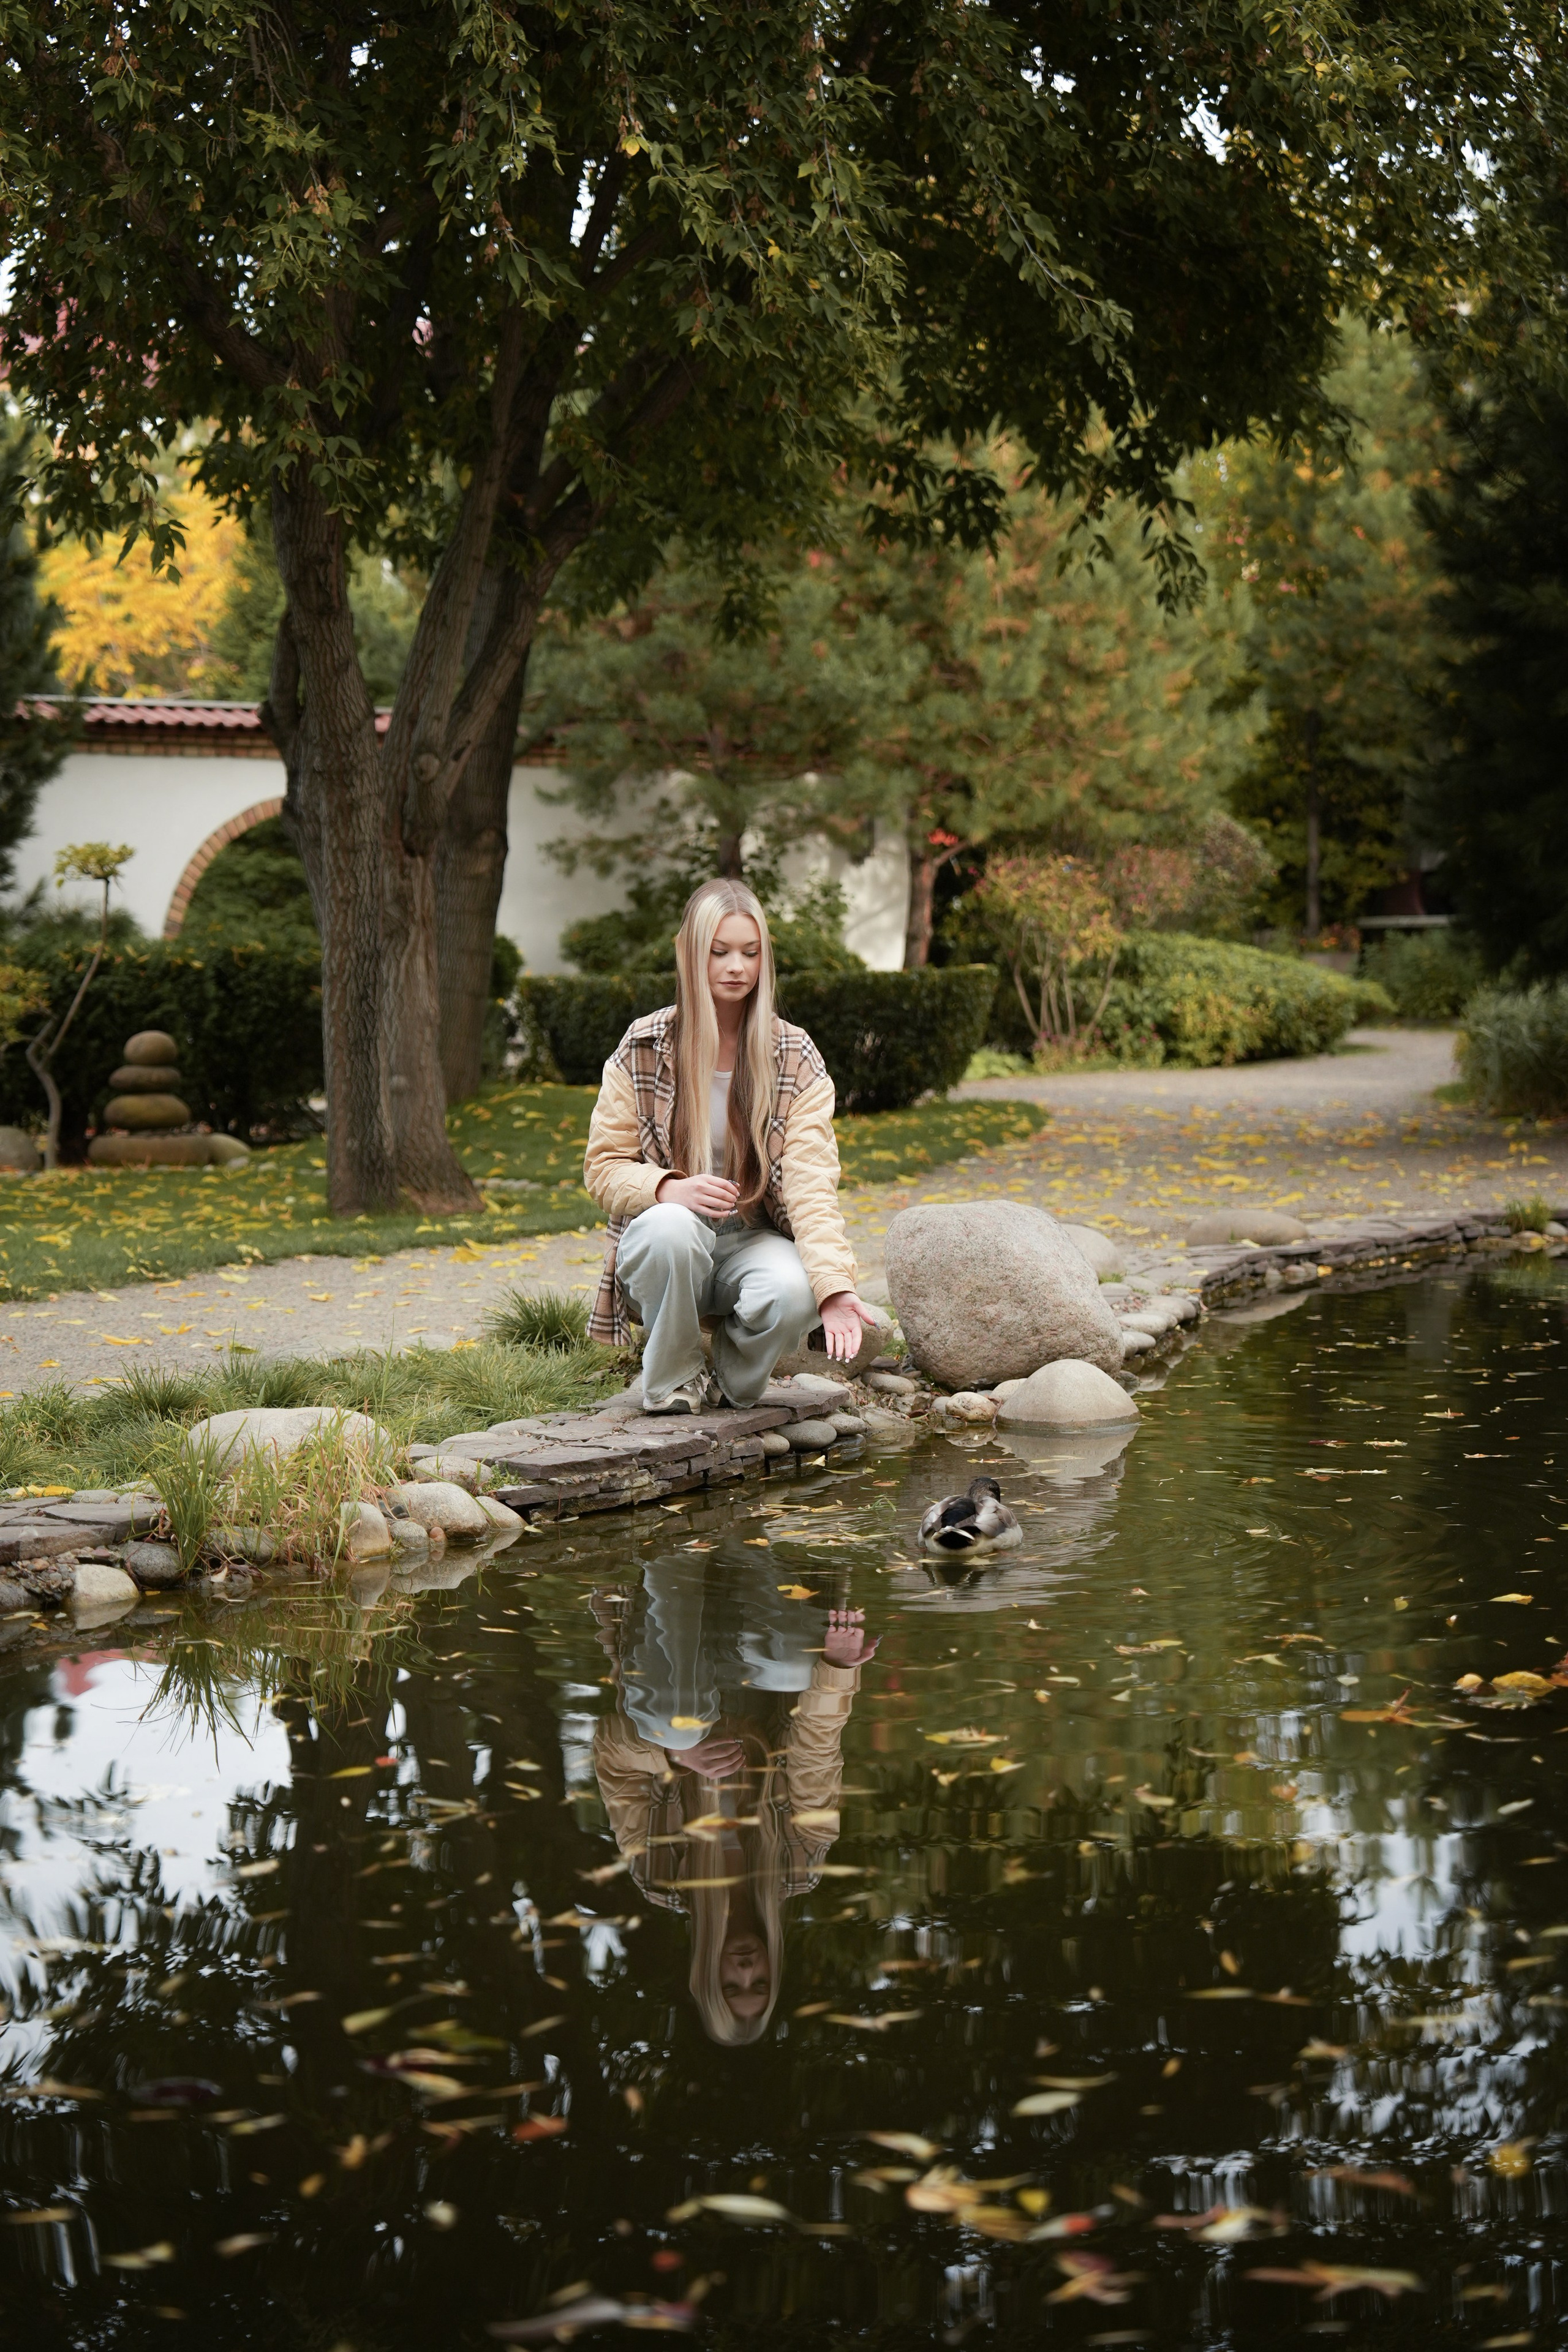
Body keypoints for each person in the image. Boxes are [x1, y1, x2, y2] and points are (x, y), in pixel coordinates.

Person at [584, 877, 878, 1413]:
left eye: (750, 952)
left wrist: (834, 1288)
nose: (736, 967)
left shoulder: (794, 1054)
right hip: (668, 1243)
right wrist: (669, 1188)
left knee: (796, 1289)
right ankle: (673, 1380)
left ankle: (729, 1380)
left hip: (752, 1239)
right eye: (719, 952)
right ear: (691, 953)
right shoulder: (645, 1044)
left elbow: (812, 1185)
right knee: (670, 1229)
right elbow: (603, 1169)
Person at [589, 1544, 880, 2045]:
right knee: (796, 1668)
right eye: (760, 1982)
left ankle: (673, 1562)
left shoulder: (659, 1876)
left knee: (678, 1729)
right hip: (756, 1668)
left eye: (732, 1985)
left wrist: (677, 1758)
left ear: (707, 1976)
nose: (746, 1970)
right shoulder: (801, 1862)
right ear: (773, 1969)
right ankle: (746, 1545)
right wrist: (837, 1667)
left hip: (666, 1665)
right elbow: (816, 1750)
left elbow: (611, 1755)